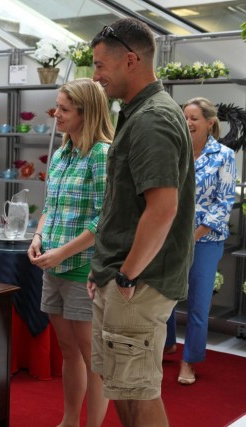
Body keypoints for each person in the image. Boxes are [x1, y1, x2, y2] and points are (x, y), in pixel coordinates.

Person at [88, 18, 195, 426]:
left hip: (140, 284)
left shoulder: (152, 119)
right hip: (123, 277)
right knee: (122, 386)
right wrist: (107, 270)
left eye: (101, 66)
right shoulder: (139, 113)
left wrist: (128, 275)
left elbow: (163, 208)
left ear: (131, 60)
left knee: (138, 392)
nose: (96, 77)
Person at [28, 78, 113, 427]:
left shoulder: (101, 154)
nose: (56, 115)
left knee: (93, 357)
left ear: (85, 112)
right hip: (55, 266)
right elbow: (50, 207)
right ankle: (69, 420)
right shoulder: (62, 153)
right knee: (68, 350)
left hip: (82, 271)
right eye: (56, 108)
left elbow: (104, 219)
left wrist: (62, 253)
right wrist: (38, 235)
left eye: (64, 110)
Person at [164, 97, 236, 385]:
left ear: (210, 122)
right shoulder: (175, 151)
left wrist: (193, 237)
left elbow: (224, 203)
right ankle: (168, 342)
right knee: (164, 295)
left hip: (205, 240)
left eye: (194, 118)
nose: (188, 123)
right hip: (170, 236)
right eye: (185, 117)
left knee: (197, 304)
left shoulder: (224, 156)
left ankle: (189, 361)